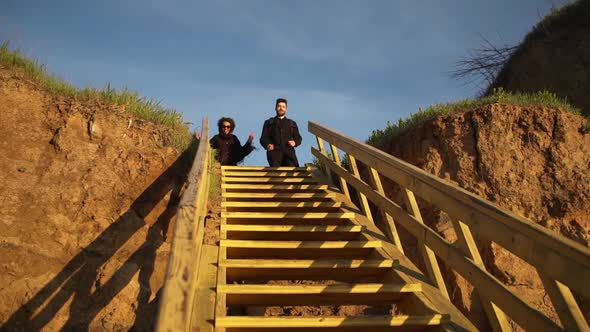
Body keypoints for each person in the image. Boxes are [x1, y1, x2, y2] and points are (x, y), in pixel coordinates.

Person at [260, 98, 302, 167]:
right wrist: (268, 145)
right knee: (275, 174)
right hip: (274, 154)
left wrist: (295, 143)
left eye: (283, 107)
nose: (281, 108)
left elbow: (298, 138)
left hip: (289, 154)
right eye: (279, 106)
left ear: (286, 109)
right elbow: (263, 138)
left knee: (293, 173)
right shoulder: (269, 122)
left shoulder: (292, 123)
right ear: (275, 108)